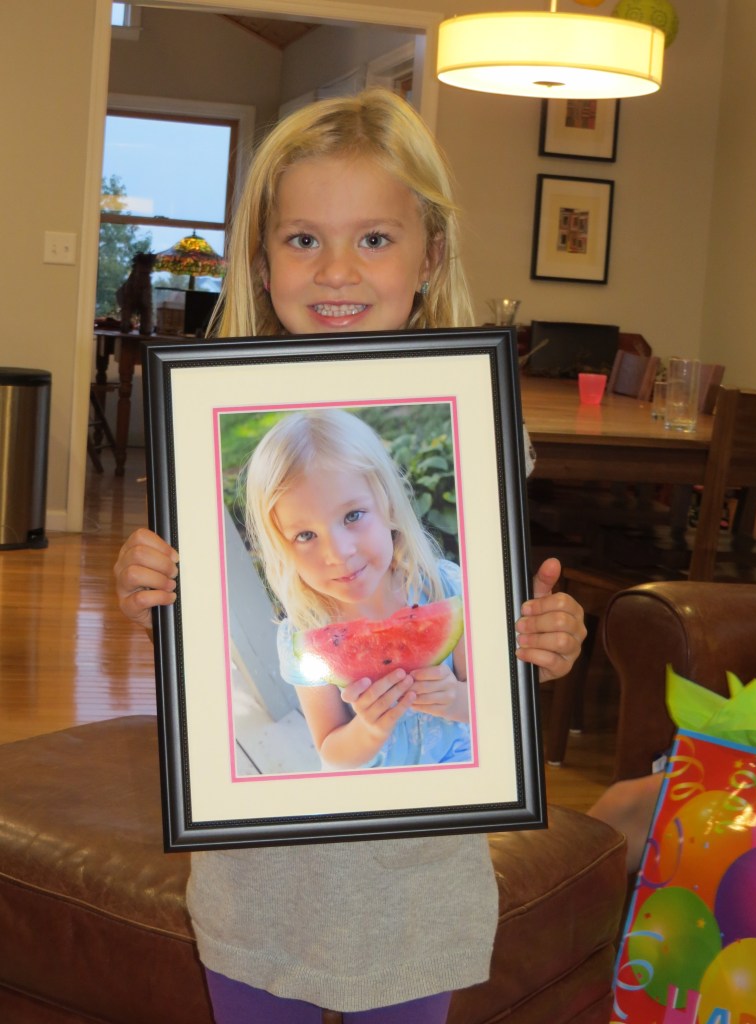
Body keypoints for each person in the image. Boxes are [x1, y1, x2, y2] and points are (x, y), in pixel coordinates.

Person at [114, 88, 587, 1023]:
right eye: (302, 240)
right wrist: (148, 588)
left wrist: (542, 644)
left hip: (421, 882)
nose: (337, 270)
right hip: (260, 878)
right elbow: (313, 733)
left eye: (374, 238)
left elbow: (490, 676)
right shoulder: (198, 419)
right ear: (262, 255)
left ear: (430, 252)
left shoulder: (486, 430)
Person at [244, 406, 471, 770]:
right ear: (282, 549)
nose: (338, 553)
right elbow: (330, 749)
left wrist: (456, 699)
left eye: (352, 516)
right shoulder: (302, 637)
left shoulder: (444, 589)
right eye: (305, 535)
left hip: (456, 765)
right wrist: (368, 729)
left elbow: (491, 703)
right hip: (370, 791)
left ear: (388, 506)